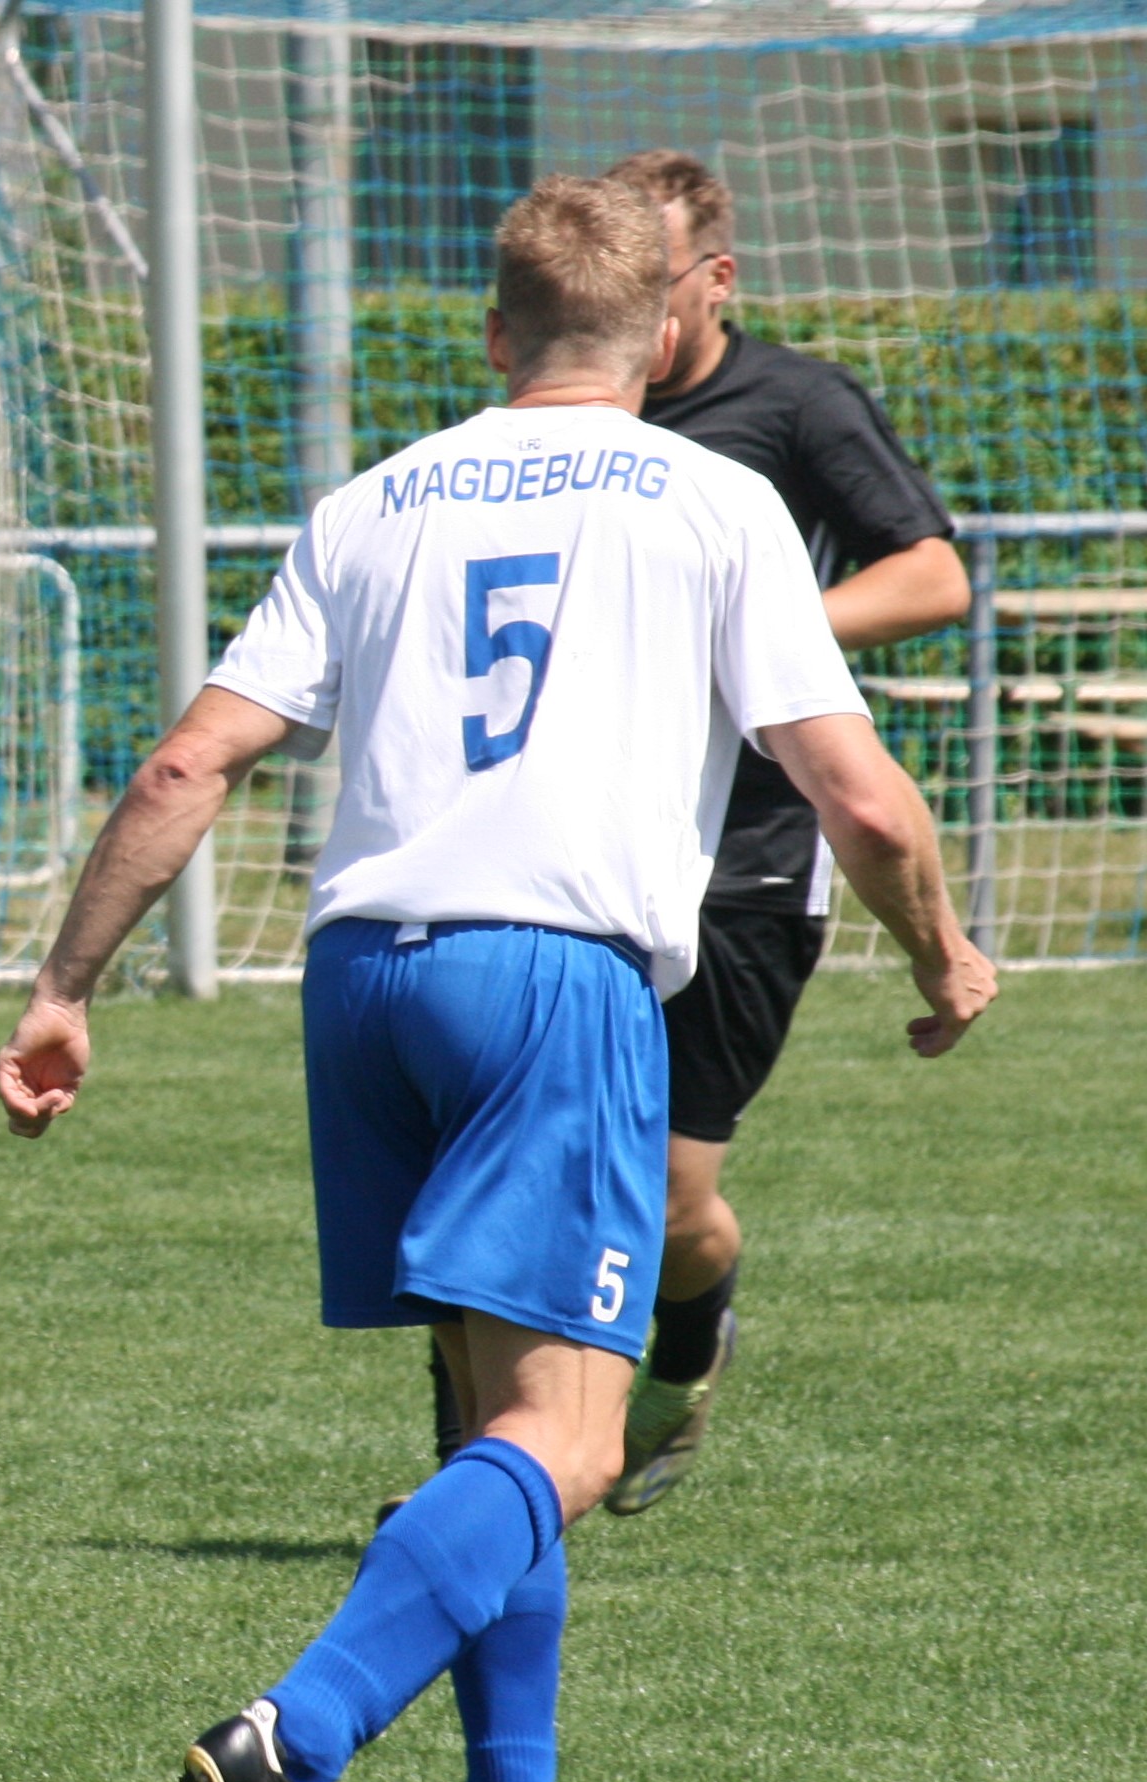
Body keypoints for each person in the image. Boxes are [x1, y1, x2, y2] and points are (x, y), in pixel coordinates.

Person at [0, 177, 992, 1782]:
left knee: (492, 1419)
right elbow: (853, 788)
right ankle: (289, 1737)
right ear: (666, 325)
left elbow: (183, 768)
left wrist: (64, 982)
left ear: (490, 332)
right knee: (574, 1442)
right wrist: (941, 947)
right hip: (551, 982)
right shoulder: (709, 497)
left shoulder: (373, 498)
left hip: (362, 975)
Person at [414, 151, 973, 1516]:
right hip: (563, 851)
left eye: (643, 280)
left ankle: (682, 1344)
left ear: (707, 284)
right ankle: (470, 1486)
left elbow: (931, 573)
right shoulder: (539, 430)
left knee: (664, 1192)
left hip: (744, 849)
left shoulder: (788, 408)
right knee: (488, 1169)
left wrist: (749, 626)